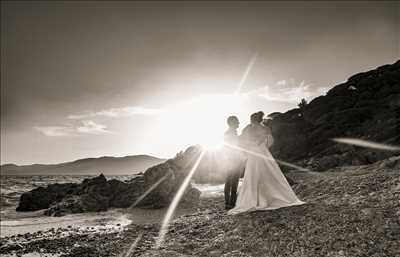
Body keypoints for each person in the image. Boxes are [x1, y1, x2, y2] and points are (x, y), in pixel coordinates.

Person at [228, 111, 304, 215]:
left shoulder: (247, 128)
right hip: (262, 152)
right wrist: (263, 147)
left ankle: (255, 198)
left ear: (252, 119)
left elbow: (242, 141)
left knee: (253, 174)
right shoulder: (265, 129)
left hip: (253, 153)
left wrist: (249, 147)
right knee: (269, 173)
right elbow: (271, 141)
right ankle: (271, 196)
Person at [223, 116, 246, 210]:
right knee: (233, 182)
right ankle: (231, 203)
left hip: (229, 160)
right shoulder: (231, 133)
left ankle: (228, 203)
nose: (239, 123)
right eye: (237, 122)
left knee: (229, 181)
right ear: (232, 123)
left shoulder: (228, 133)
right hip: (234, 160)